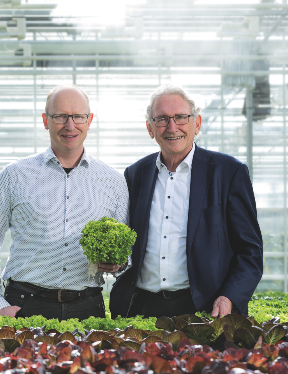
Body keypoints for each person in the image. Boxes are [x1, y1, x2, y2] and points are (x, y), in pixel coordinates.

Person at [0, 85, 128, 321]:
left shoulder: (113, 182)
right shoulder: (15, 175)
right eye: (60, 116)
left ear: (89, 121)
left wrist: (119, 264)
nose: (70, 125)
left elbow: (128, 254)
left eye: (78, 116)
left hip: (87, 309)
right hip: (24, 306)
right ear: (46, 120)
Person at [110, 84, 263, 319]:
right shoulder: (135, 174)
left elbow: (250, 251)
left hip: (203, 307)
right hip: (142, 308)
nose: (172, 127)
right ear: (150, 129)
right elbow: (129, 242)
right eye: (161, 119)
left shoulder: (229, 172)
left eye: (181, 117)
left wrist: (230, 296)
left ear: (197, 123)